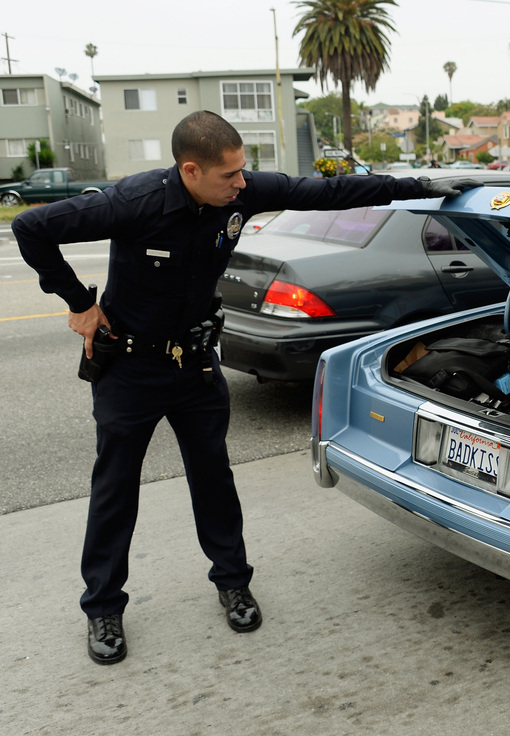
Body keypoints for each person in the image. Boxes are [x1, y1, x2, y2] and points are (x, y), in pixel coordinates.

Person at [12, 110, 481, 665]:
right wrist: (80, 304)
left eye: (242, 174)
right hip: (131, 370)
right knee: (115, 487)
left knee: (213, 476)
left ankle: (232, 581)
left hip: (196, 366)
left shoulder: (239, 192)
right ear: (191, 170)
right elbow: (31, 228)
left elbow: (330, 191)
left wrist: (421, 187)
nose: (241, 185)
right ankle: (103, 608)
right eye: (229, 176)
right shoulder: (132, 202)